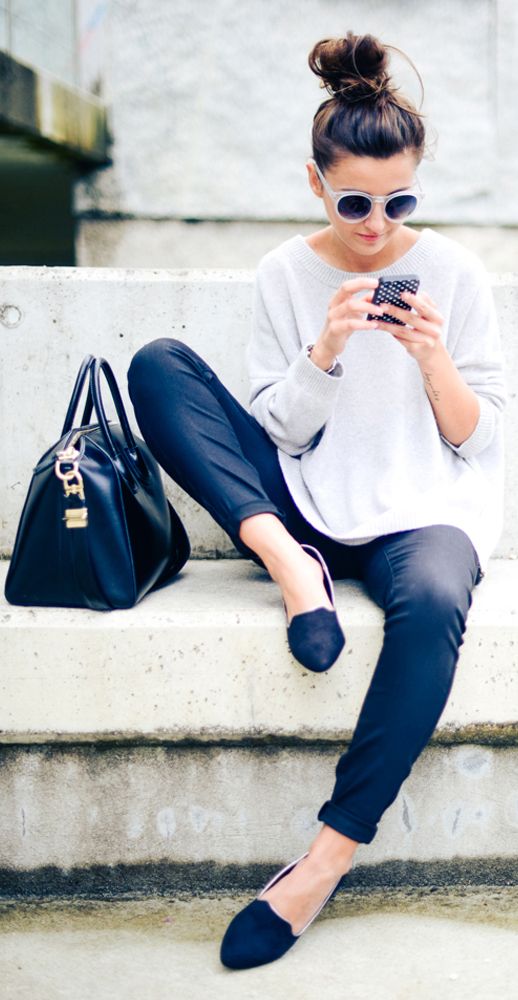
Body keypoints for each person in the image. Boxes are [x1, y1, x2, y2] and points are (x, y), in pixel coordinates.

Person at [127, 30, 506, 970]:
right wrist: (326, 353)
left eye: (399, 201)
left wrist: (431, 359)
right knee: (157, 368)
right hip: (300, 503)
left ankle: (326, 859)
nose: (375, 224)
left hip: (421, 512)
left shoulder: (456, 275)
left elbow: (482, 439)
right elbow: (283, 433)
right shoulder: (285, 274)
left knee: (433, 609)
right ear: (315, 184)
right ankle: (290, 565)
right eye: (353, 202)